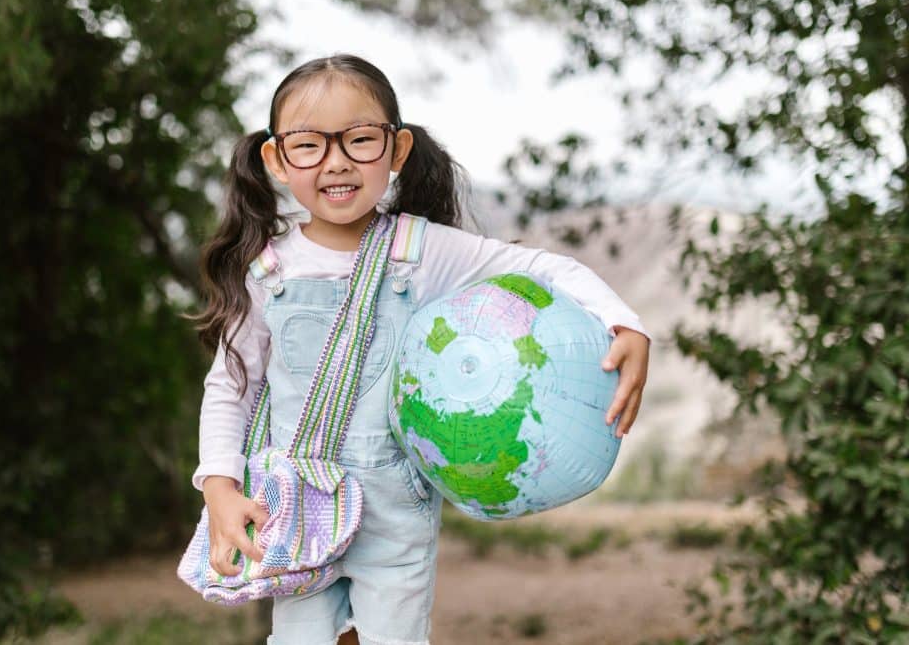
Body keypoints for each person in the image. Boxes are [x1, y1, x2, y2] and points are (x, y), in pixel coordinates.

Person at [187, 53, 651, 645]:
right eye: (309, 145)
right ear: (277, 160)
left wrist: (624, 322)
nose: (336, 162)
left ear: (397, 150)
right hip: (293, 508)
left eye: (359, 140)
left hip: (394, 515)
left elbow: (539, 267)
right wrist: (220, 489)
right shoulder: (267, 268)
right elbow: (230, 384)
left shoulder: (419, 249)